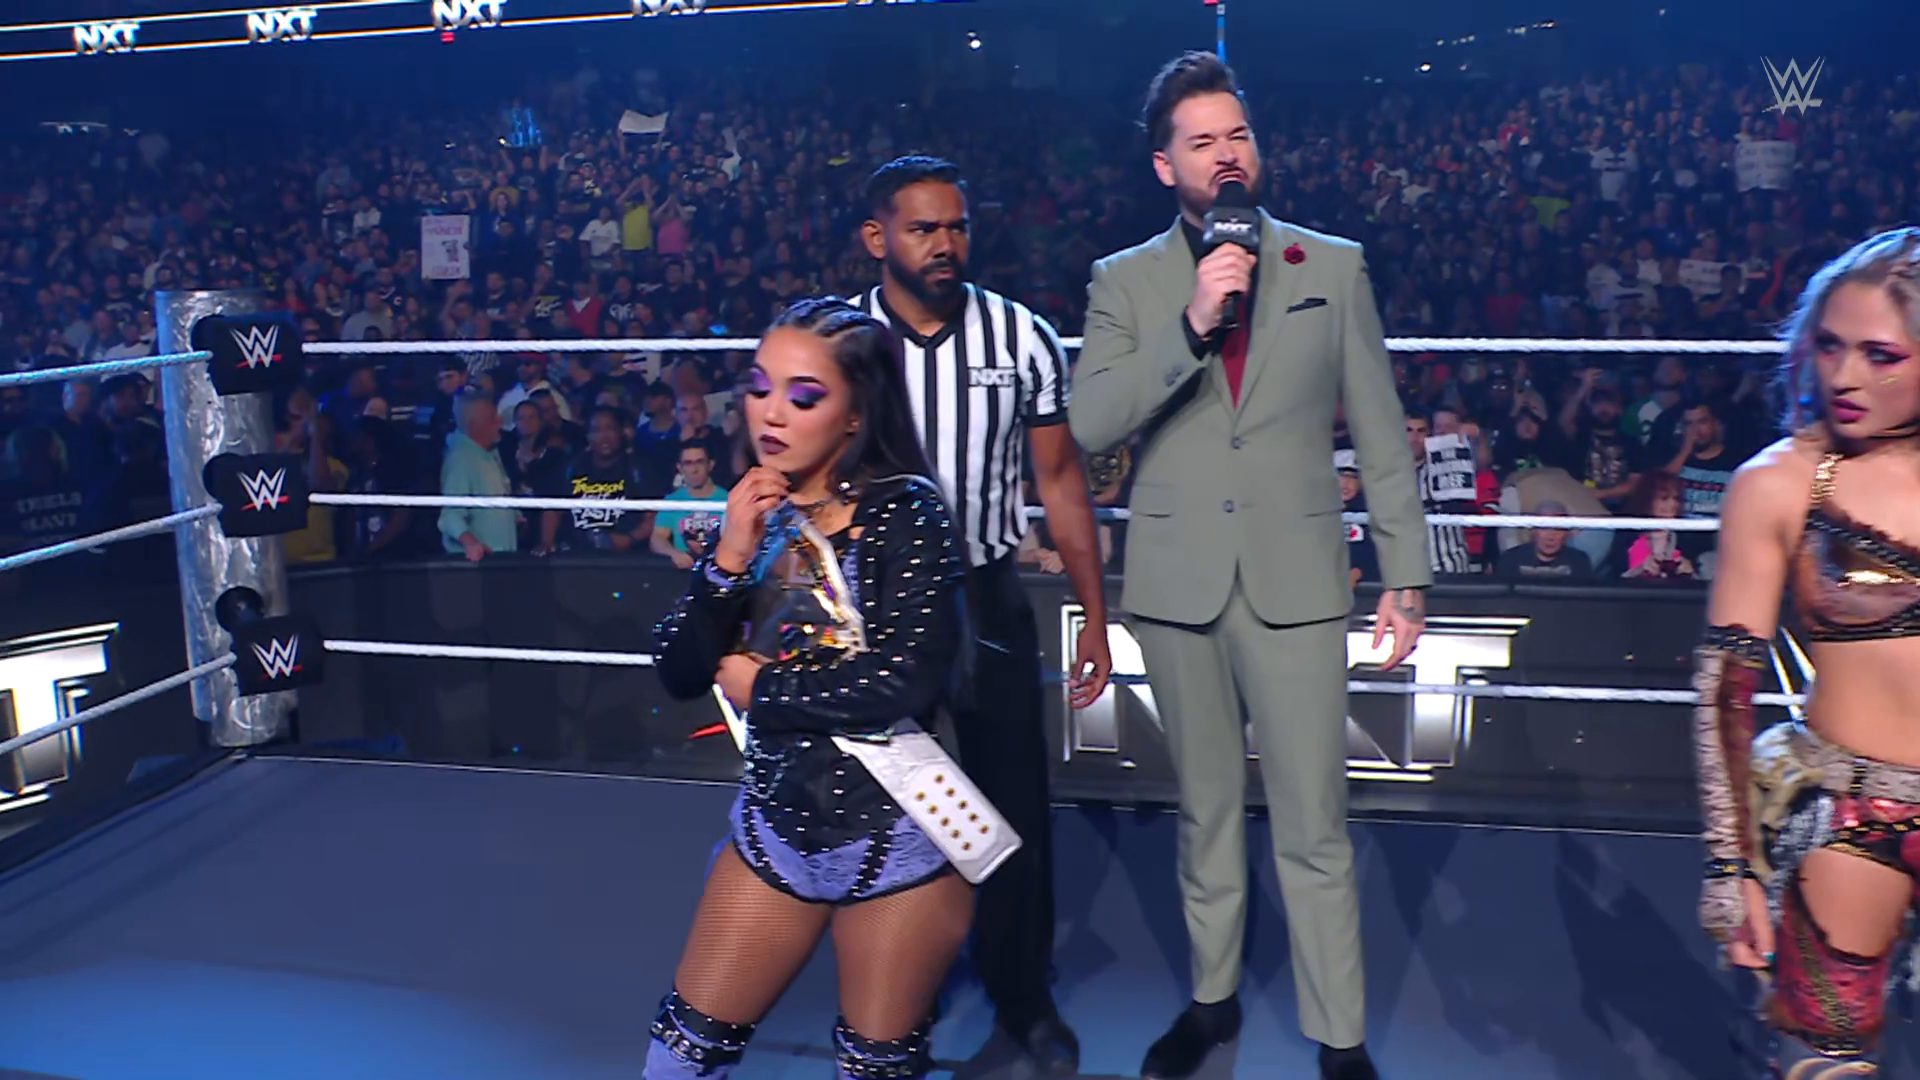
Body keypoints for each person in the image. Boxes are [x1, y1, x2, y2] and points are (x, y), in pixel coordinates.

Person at [1068, 52, 1430, 1080]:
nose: (1226, 154)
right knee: (1207, 812)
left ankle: (1340, 1040)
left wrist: (1406, 575)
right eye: (1202, 141)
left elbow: (1382, 429)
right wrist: (1192, 322)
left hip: (1298, 578)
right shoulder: (1125, 281)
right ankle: (1212, 1001)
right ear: (1164, 165)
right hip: (1178, 582)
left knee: (1316, 823)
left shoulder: (1332, 266)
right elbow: (1091, 420)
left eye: (1238, 135)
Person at [645, 298, 974, 1080]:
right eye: (760, 388)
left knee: (871, 1070)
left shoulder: (905, 512)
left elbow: (903, 676)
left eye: (803, 396)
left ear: (856, 413)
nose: (770, 412)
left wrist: (764, 687)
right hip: (774, 834)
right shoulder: (756, 513)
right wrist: (728, 558)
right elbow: (680, 670)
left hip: (897, 840)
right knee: (676, 1064)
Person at [854, 155, 1112, 1073]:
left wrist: (1093, 612)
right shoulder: (842, 342)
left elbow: (1060, 480)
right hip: (878, 602)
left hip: (989, 589)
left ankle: (1021, 992)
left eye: (957, 226)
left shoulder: (1022, 335)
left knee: (1013, 802)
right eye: (924, 228)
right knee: (890, 805)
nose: (946, 244)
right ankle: (896, 998)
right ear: (878, 237)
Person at [1694, 226, 1920, 1078]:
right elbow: (1724, 688)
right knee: (1828, 1058)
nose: (1845, 376)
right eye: (1829, 346)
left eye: (1880, 354)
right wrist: (1731, 866)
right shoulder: (1779, 484)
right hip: (1854, 813)